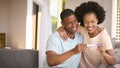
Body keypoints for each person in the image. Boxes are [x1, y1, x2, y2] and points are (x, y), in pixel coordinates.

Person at [58, 1, 116, 68]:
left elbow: (113, 61)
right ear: (82, 21)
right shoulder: (82, 29)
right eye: (86, 22)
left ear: (98, 20)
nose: (89, 25)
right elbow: (67, 27)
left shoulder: (103, 35)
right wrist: (61, 29)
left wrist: (103, 53)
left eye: (93, 21)